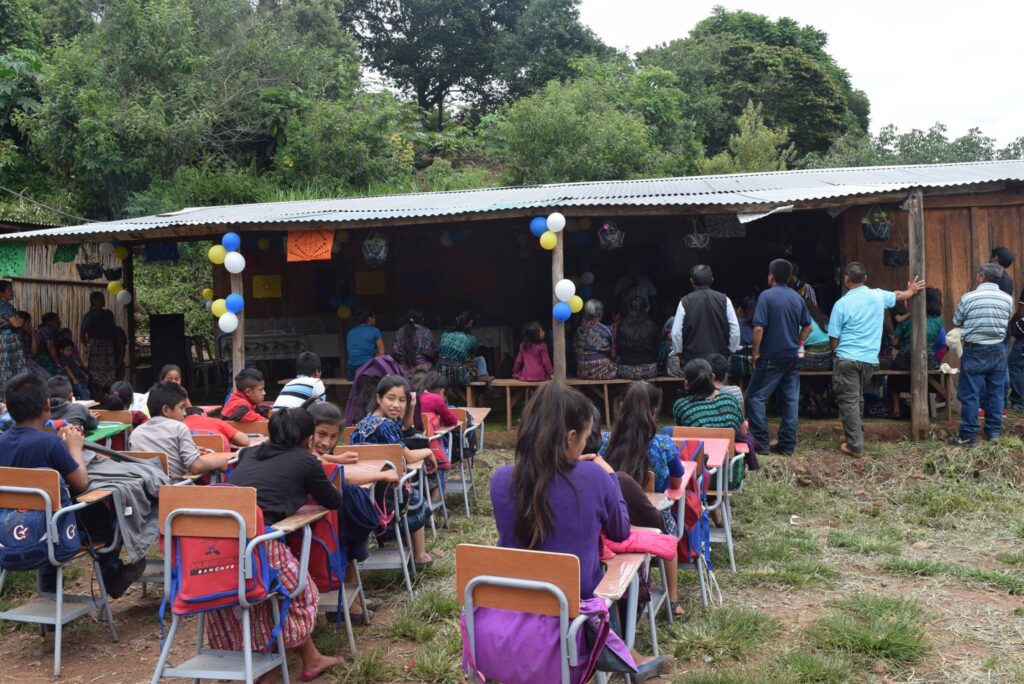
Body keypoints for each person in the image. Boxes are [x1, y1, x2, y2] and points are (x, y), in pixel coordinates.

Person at [490, 381, 673, 679]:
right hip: (578, 617)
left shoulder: (501, 479)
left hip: (513, 608)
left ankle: (629, 654)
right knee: (614, 572)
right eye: (586, 437)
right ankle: (627, 654)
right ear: (571, 437)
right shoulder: (592, 476)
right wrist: (609, 476)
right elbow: (619, 530)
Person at [207, 407, 344, 683]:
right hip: (258, 546)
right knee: (300, 592)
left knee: (267, 595)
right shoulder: (307, 462)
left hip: (213, 550)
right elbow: (333, 501)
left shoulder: (248, 453)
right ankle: (270, 669)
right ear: (307, 439)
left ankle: (307, 659)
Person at [0, 372, 147, 597]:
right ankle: (112, 571)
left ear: (8, 409)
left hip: (9, 532)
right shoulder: (49, 443)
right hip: (54, 533)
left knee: (50, 507)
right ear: (47, 406)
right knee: (97, 507)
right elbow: (80, 482)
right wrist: (75, 448)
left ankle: (49, 593)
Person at [599, 382, 684, 616]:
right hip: (652, 518)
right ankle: (674, 600)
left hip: (614, 515)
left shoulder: (606, 441)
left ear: (620, 407)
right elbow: (677, 482)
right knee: (670, 535)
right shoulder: (663, 444)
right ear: (655, 411)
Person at [828, 262, 924, 458]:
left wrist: (837, 356)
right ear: (865, 279)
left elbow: (833, 338)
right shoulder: (878, 295)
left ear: (846, 279)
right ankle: (855, 436)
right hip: (869, 361)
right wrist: (911, 290)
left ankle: (855, 446)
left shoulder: (841, 304)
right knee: (857, 398)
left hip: (847, 358)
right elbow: (899, 295)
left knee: (849, 401)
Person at [350, 374, 435, 568]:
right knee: (417, 499)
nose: (397, 405)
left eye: (402, 400)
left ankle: (409, 549)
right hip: (384, 494)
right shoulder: (385, 426)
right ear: (379, 398)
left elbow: (404, 426)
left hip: (366, 487)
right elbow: (410, 457)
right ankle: (420, 556)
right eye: (391, 398)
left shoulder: (368, 421)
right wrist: (429, 451)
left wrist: (411, 406)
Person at [746, 259, 812, 456]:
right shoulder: (797, 297)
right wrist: (799, 342)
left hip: (771, 356)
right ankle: (787, 445)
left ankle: (761, 442)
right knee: (790, 400)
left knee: (755, 396)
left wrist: (755, 352)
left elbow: (758, 328)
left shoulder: (766, 297)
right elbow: (808, 327)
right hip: (792, 357)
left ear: (771, 276)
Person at [948, 264, 1014, 447]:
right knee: (996, 393)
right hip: (998, 349)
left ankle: (968, 436)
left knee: (970, 394)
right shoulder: (1007, 299)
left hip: (975, 349)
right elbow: (1006, 320)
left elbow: (956, 321)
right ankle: (993, 432)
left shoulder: (968, 298)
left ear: (981, 277)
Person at [128, 382, 230, 482]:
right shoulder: (179, 427)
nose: (184, 413)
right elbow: (196, 467)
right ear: (166, 410)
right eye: (181, 408)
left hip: (146, 492)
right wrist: (221, 462)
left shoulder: (136, 433)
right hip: (176, 489)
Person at [670, 264, 741, 365]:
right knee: (717, 381)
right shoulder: (725, 300)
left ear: (692, 281)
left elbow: (676, 333)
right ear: (712, 280)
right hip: (719, 360)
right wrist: (730, 352)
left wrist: (680, 355)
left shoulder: (684, 302)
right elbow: (735, 331)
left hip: (693, 361)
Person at [80, 291, 119, 393]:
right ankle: (97, 393)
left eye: (103, 298)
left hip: (108, 344)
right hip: (95, 345)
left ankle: (109, 392)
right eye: (100, 298)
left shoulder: (108, 314)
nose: (103, 300)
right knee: (95, 371)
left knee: (109, 369)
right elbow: (82, 333)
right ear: (93, 301)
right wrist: (88, 346)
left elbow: (113, 330)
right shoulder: (88, 316)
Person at [437, 311, 488, 386]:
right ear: (470, 322)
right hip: (460, 376)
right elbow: (471, 357)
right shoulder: (471, 339)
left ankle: (484, 382)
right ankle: (485, 386)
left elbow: (439, 351)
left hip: (441, 374)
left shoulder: (445, 334)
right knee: (480, 359)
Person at [616, 297, 661, 380]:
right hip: (649, 370)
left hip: (626, 371)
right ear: (646, 309)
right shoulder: (652, 326)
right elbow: (657, 349)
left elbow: (619, 349)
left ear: (629, 308)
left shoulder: (622, 326)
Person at [574, 299, 617, 380]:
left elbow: (576, 352)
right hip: (603, 370)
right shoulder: (606, 330)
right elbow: (613, 355)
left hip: (582, 371)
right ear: (600, 313)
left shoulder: (579, 329)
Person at [0, 280, 27, 398]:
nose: (12, 292)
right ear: (1, 292)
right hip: (8, 343)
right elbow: (17, 323)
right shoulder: (4, 305)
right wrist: (19, 319)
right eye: (9, 289)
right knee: (11, 371)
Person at [183, 406, 250, 449]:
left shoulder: (179, 426)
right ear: (203, 414)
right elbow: (244, 441)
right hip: (221, 464)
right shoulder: (216, 421)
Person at [393, 309, 435, 376]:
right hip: (423, 371)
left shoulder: (399, 331)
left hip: (402, 372)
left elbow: (395, 353)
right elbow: (431, 353)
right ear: (422, 319)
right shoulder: (426, 332)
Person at [345, 308, 384, 380]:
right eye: (374, 317)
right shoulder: (375, 330)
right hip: (368, 370)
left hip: (352, 372)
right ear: (370, 319)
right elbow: (382, 354)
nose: (375, 320)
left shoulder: (350, 332)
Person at [15, 310, 49, 379]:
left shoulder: (26, 334)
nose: (30, 324)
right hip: (18, 363)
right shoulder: (13, 335)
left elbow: (34, 352)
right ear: (21, 322)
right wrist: (27, 356)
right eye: (28, 322)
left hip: (28, 361)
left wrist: (33, 335)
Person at [34, 311, 63, 378]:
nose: (59, 322)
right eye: (56, 320)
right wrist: (57, 363)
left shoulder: (47, 330)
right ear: (48, 322)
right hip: (41, 357)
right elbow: (50, 346)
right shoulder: (46, 330)